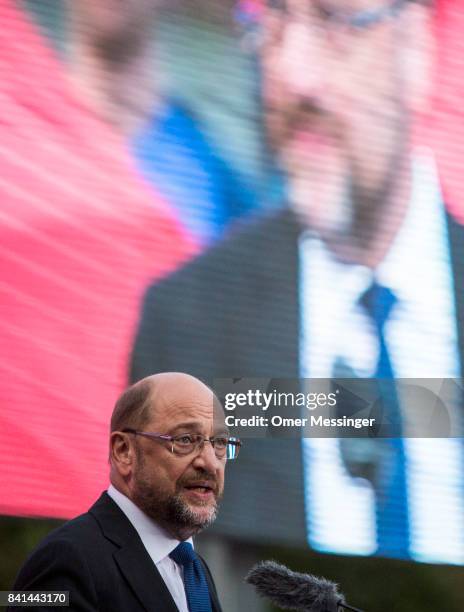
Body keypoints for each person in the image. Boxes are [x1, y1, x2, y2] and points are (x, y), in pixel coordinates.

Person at [130, 0, 464, 564]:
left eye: (335, 21)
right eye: (273, 24)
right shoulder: (187, 322)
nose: (293, 76)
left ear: (417, 49)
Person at [10, 373, 238, 612]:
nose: (211, 463)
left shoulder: (193, 568)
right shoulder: (66, 559)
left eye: (220, 443)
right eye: (185, 439)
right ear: (123, 451)